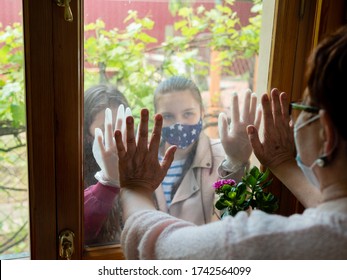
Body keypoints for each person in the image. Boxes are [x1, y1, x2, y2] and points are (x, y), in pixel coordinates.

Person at [115, 25, 347, 259]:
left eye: (302, 108)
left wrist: (134, 187)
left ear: (326, 133)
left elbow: (161, 251)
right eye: (168, 116)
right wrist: (282, 162)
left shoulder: (263, 242)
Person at [152, 76, 261, 224]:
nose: (179, 123)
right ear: (156, 119)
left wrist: (236, 163)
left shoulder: (224, 157)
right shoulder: (144, 161)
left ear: (202, 113)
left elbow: (237, 222)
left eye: (188, 114)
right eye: (168, 116)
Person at [83, 84, 131, 245]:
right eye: (106, 129)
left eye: (122, 126)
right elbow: (79, 232)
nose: (116, 137)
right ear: (86, 133)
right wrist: (109, 181)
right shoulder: (73, 168)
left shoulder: (136, 165)